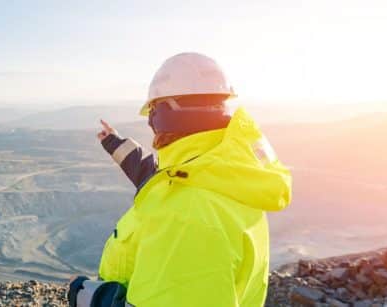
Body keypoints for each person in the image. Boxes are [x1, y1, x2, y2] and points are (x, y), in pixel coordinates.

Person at [67, 53, 293, 307]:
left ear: (168, 113)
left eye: (152, 112)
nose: (151, 125)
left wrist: (89, 297)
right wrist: (115, 144)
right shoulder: (226, 175)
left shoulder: (188, 216)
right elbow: (162, 179)